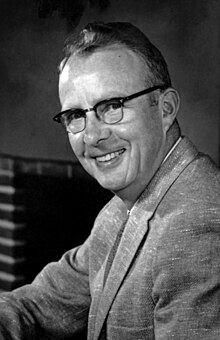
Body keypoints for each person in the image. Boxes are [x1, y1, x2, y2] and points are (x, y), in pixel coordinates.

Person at [0, 21, 220, 340]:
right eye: (76, 115)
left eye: (112, 106)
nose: (92, 136)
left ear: (165, 109)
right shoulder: (122, 207)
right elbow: (39, 304)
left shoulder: (199, 226)